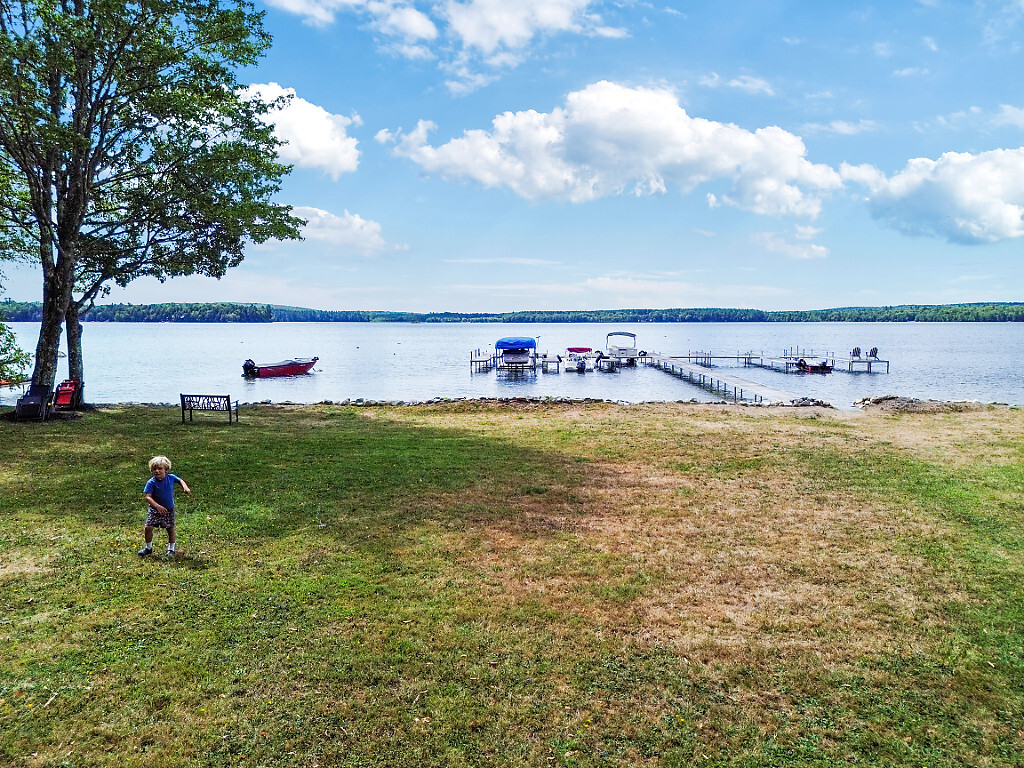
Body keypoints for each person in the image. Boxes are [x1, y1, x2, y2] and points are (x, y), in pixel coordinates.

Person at [139, 455, 191, 557]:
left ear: (166, 469)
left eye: (160, 469)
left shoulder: (171, 478)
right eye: (154, 469)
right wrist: (157, 506)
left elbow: (180, 480)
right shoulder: (151, 482)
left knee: (170, 528)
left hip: (168, 509)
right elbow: (148, 497)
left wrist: (185, 488)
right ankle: (148, 548)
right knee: (148, 527)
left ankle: (171, 549)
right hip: (155, 509)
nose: (157, 471)